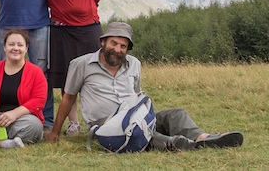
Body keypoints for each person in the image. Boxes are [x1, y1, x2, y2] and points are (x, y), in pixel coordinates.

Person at [46, 22, 244, 151]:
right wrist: (55, 132)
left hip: (136, 115)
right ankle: (177, 144)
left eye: (123, 46)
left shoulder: (134, 64)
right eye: (113, 43)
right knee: (138, 130)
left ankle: (203, 138)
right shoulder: (81, 64)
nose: (117, 49)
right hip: (108, 125)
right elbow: (68, 98)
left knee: (175, 114)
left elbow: (137, 96)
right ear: (103, 42)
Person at [43, 0, 103, 136]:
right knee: (67, 78)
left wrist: (84, 11)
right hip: (61, 31)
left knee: (95, 74)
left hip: (88, 29)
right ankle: (74, 123)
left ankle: (96, 121)